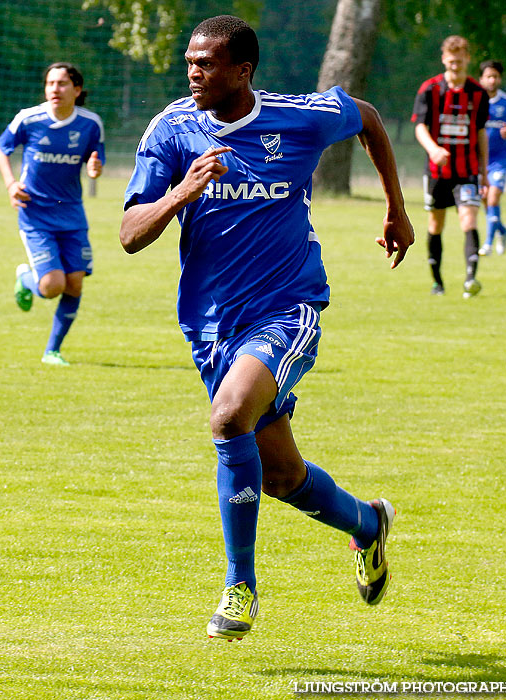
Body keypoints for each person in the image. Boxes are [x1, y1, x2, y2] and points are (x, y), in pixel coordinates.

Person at [120, 15, 414, 641]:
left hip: (288, 307)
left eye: (206, 63)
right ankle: (368, 524)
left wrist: (396, 206)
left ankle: (240, 588)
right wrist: (184, 192)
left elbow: (366, 116)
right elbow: (129, 235)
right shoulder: (172, 130)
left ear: (243, 71)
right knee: (280, 475)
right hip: (210, 324)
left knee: (229, 419)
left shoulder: (298, 117)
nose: (193, 72)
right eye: (190, 62)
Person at [0, 62, 105, 366]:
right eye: (50, 83)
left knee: (75, 283)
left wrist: (95, 169)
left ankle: (52, 351)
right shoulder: (28, 119)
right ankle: (26, 279)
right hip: (36, 214)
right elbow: (2, 147)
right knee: (52, 286)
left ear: (77, 89)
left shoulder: (91, 124)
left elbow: (94, 162)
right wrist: (10, 184)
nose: (55, 89)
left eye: (62, 83)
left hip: (72, 214)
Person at [411, 35, 489, 298]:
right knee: (436, 224)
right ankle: (438, 282)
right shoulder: (429, 90)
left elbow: (480, 133)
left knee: (468, 218)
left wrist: (484, 172)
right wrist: (433, 150)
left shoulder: (478, 94)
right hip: (437, 172)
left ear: (468, 60)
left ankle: (470, 279)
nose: (455, 64)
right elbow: (420, 126)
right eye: (451, 60)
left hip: (467, 171)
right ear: (444, 59)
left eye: (460, 60)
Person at [478, 60, 506, 256]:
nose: (492, 80)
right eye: (488, 76)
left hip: (500, 159)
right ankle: (502, 231)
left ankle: (488, 243)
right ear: (482, 79)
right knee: (486, 202)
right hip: (479, 159)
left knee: (493, 198)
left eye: (495, 76)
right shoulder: (475, 100)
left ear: (500, 79)